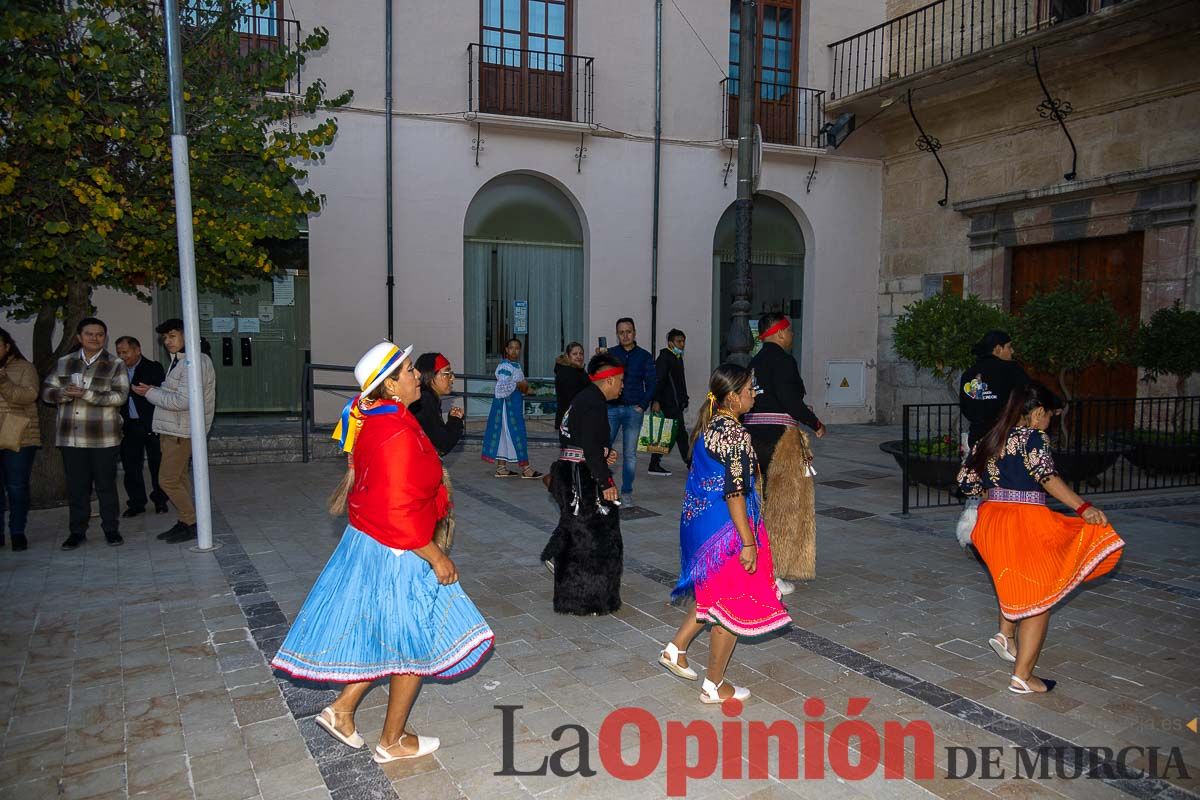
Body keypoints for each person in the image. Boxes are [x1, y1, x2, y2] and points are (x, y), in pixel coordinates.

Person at [271, 342, 494, 762]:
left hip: (377, 543)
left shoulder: (379, 419)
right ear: (390, 385)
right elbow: (396, 511)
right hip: (398, 548)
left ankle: (342, 710)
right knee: (413, 641)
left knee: (388, 632)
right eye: (408, 371)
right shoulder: (393, 430)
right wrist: (436, 556)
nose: (416, 376)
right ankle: (392, 740)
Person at [957, 382, 1124, 695]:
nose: (1049, 421)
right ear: (1036, 413)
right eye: (1048, 414)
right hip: (1024, 520)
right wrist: (1083, 507)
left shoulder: (991, 436)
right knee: (1039, 598)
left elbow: (965, 481)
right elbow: (1047, 477)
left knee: (1016, 579)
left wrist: (993, 492)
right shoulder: (1034, 437)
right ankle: (1023, 677)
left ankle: (1005, 634)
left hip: (991, 520)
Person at [658, 364, 791, 703]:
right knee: (731, 606)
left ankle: (677, 648)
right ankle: (714, 685)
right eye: (749, 390)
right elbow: (735, 493)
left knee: (714, 594)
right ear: (733, 397)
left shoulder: (709, 425)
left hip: (700, 526)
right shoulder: (735, 435)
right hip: (726, 530)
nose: (754, 395)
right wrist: (748, 541)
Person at [540, 353, 625, 615]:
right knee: (596, 539)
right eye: (620, 381)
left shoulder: (585, 398)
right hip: (583, 479)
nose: (622, 386)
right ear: (608, 381)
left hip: (574, 472)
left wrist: (604, 452)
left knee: (578, 534)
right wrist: (606, 481)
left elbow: (584, 440)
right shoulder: (593, 403)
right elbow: (588, 447)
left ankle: (575, 595)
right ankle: (590, 598)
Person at [745, 312, 824, 595]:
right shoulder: (784, 361)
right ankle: (771, 574)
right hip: (780, 442)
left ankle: (753, 568)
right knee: (780, 509)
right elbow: (791, 401)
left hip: (752, 440)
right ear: (778, 333)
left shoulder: (753, 363)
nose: (792, 335)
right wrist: (815, 423)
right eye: (789, 331)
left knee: (756, 505)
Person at [41, 317, 129, 550]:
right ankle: (77, 532)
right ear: (79, 337)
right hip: (71, 437)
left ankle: (111, 529)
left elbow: (120, 396)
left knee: (106, 486)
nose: (95, 338)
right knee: (77, 487)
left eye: (100, 334)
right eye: (89, 334)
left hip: (104, 438)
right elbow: (46, 392)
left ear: (105, 337)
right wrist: (64, 394)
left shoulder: (115, 363)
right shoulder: (64, 362)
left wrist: (87, 394)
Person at [131, 318, 216, 545]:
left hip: (181, 431)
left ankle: (191, 522)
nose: (167, 341)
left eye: (172, 336)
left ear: (187, 336)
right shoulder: (183, 360)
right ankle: (189, 521)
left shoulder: (192, 361)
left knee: (167, 480)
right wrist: (153, 390)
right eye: (165, 338)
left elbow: (182, 401)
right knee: (179, 478)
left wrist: (149, 394)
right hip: (177, 429)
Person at [599, 318, 656, 505]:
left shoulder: (644, 356)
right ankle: (602, 487)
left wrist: (643, 404)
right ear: (617, 334)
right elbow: (598, 378)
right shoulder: (611, 354)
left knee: (630, 454)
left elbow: (652, 383)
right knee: (603, 449)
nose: (625, 335)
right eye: (621, 332)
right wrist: (599, 358)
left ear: (634, 332)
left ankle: (626, 492)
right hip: (611, 409)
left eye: (628, 331)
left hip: (634, 410)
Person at [114, 336, 168, 518]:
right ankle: (136, 503)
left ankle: (160, 500)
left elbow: (161, 391)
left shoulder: (153, 367)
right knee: (131, 466)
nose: (122, 356)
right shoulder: (115, 370)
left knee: (157, 464)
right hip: (128, 425)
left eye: (125, 352)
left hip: (151, 423)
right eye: (119, 353)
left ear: (137, 350)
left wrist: (147, 389)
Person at [0, 329, 41, 551]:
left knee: (16, 487)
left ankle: (17, 532)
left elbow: (28, 396)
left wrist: (4, 381)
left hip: (19, 436)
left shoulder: (24, 368)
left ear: (7, 346)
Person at [482, 338, 542, 479]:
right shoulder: (505, 366)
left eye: (517, 348)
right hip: (507, 408)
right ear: (506, 350)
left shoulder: (515, 365)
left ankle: (501, 467)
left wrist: (523, 386)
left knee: (504, 435)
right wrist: (521, 385)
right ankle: (526, 469)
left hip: (512, 405)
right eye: (511, 348)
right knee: (517, 433)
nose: (514, 350)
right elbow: (501, 387)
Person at [960, 330, 1032, 447]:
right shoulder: (1011, 369)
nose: (1012, 351)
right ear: (998, 348)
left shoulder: (968, 374)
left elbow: (965, 407)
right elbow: (1032, 391)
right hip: (1005, 437)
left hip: (977, 439)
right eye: (1009, 347)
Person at [648, 328, 691, 477]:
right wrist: (656, 400)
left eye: (683, 341)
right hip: (668, 403)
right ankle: (690, 463)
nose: (682, 344)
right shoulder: (665, 359)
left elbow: (679, 382)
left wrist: (684, 398)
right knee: (679, 434)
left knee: (667, 434)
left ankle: (654, 464)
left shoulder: (676, 358)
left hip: (675, 403)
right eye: (679, 341)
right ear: (670, 343)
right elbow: (658, 381)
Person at [411, 352, 464, 457]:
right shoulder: (425, 402)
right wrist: (455, 421)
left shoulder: (427, 398)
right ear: (430, 376)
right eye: (447, 373)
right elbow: (443, 444)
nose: (452, 378)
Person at [553, 342, 589, 434]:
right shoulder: (567, 373)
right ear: (568, 356)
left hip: (574, 419)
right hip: (570, 420)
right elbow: (575, 397)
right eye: (575, 354)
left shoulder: (577, 370)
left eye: (581, 354)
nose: (579, 356)